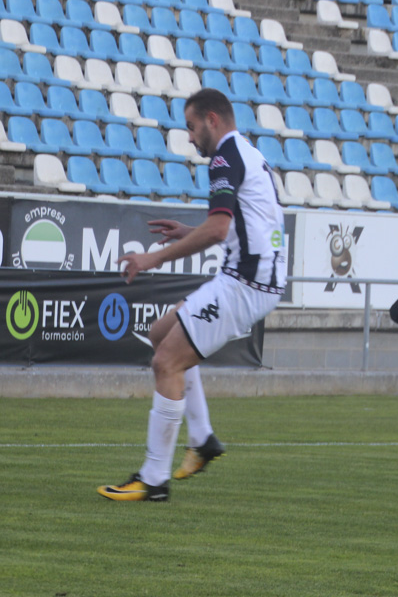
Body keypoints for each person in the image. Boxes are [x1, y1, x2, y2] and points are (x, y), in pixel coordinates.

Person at [97, 88, 286, 501]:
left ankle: (153, 479)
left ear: (212, 120)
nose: (189, 136)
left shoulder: (223, 158)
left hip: (244, 283)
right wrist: (188, 233)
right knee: (161, 333)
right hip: (254, 279)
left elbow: (220, 229)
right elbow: (242, 224)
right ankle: (201, 439)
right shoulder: (250, 154)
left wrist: (153, 259)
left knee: (165, 362)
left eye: (191, 126)